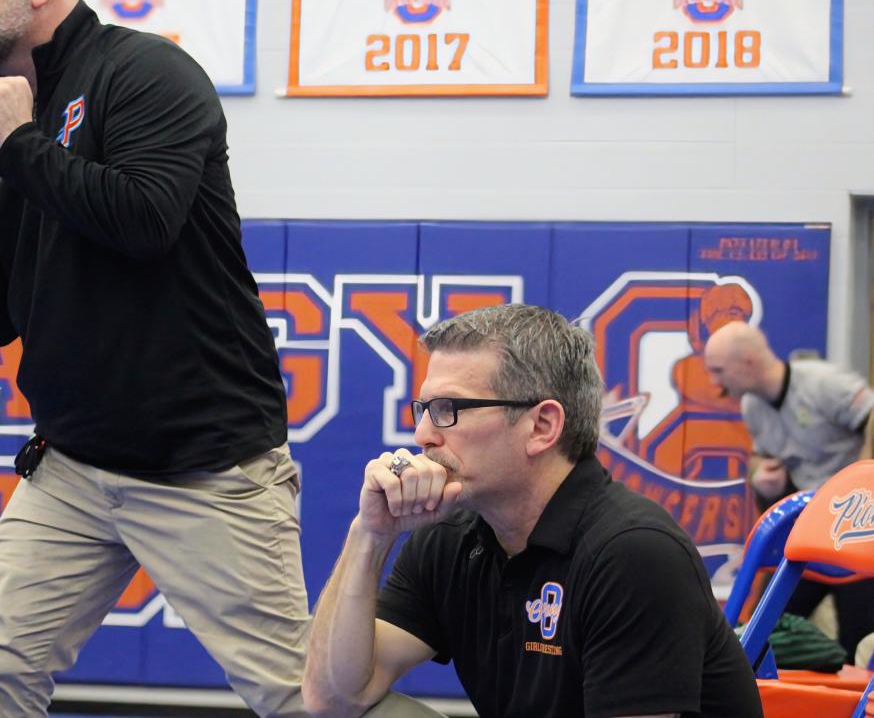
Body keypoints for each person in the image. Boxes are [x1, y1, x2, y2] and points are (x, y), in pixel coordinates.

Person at [0, 0, 307, 718]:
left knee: (304, 697)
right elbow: (1, 316)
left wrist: (25, 145)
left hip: (202, 462)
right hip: (73, 466)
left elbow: (146, 222)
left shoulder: (145, 74)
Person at [303, 304, 762, 718]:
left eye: (448, 409)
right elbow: (333, 699)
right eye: (424, 408)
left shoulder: (634, 553)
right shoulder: (452, 535)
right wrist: (370, 533)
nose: (423, 433)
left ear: (542, 426)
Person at [704, 320, 874, 662]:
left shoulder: (822, 383)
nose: (714, 383)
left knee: (859, 643)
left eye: (718, 371)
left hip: (857, 530)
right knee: (759, 630)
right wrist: (760, 474)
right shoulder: (753, 406)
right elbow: (762, 456)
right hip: (814, 530)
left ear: (747, 362)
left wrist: (865, 476)